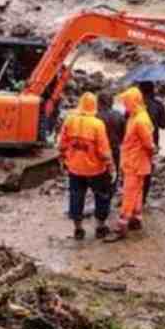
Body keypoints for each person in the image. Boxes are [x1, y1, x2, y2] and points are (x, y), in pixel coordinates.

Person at [59, 93, 114, 241]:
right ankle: (100, 227)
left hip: (75, 169)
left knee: (76, 197)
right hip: (96, 170)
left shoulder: (69, 120)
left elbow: (62, 144)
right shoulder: (97, 124)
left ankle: (78, 229)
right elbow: (104, 151)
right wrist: (111, 166)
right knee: (102, 196)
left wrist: (63, 159)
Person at [105, 87, 154, 242]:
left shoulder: (140, 120)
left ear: (133, 101)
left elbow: (149, 144)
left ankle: (122, 226)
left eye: (126, 102)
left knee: (129, 194)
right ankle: (136, 219)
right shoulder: (136, 116)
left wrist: (152, 153)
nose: (125, 105)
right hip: (135, 161)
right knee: (137, 191)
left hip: (135, 162)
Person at [137, 81, 165, 205]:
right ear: (153, 90)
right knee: (147, 170)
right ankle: (143, 198)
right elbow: (164, 125)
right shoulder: (158, 105)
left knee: (133, 170)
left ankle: (133, 195)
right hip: (152, 143)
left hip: (135, 143)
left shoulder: (135, 105)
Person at [97, 91, 126, 189]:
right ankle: (112, 188)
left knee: (100, 170)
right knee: (115, 169)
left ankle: (101, 188)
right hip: (114, 146)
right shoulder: (119, 115)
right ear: (112, 102)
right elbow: (124, 134)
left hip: (99, 149)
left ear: (99, 103)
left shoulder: (95, 116)